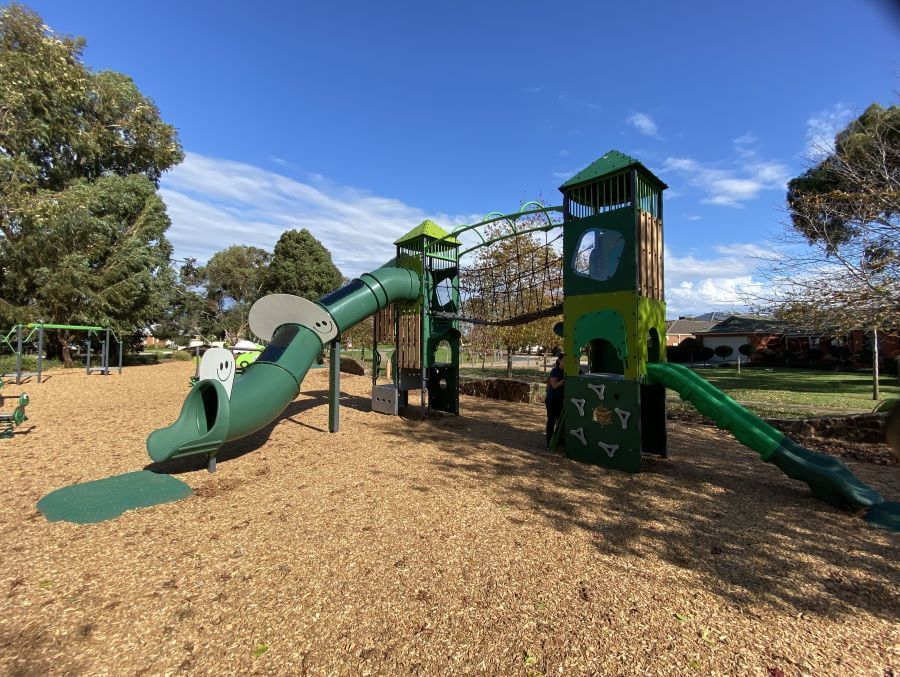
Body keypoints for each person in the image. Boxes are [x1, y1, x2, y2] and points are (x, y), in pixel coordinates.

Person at [545, 353, 565, 448]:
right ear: (559, 361)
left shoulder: (568, 371)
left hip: (561, 400)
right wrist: (565, 380)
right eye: (564, 360)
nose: (566, 362)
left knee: (560, 421)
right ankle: (549, 443)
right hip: (551, 400)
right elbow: (554, 385)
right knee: (551, 421)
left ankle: (558, 442)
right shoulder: (555, 371)